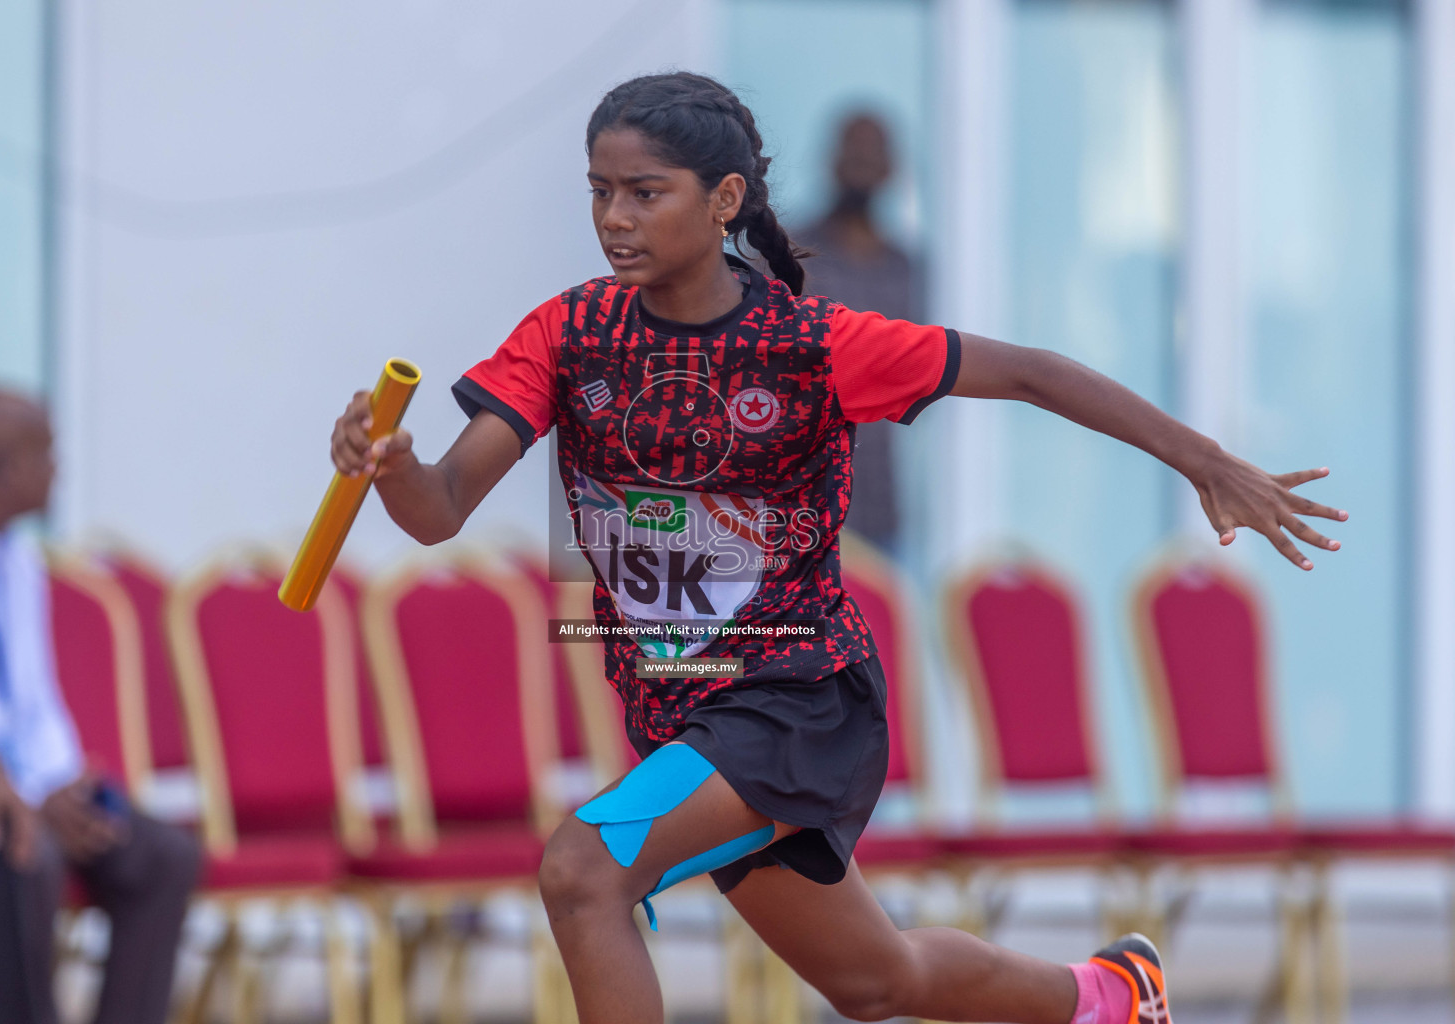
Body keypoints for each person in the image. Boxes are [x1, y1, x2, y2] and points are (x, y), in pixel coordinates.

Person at [328, 72, 1345, 1024]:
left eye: (645, 192)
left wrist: (1203, 459)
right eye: (600, 192)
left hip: (799, 700)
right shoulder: (570, 334)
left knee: (584, 871)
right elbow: (441, 507)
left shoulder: (816, 346)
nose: (615, 218)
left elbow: (1031, 373)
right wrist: (388, 466)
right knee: (873, 978)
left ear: (724, 199)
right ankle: (1110, 994)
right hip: (682, 713)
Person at [0, 387, 202, 1024]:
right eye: (46, 452)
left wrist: (60, 785)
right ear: (2, 468)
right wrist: (15, 788)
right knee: (19, 850)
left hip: (10, 782)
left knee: (163, 856)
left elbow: (32, 698)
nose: (59, 469)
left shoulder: (19, 561)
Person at [796, 111, 921, 554]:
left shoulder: (906, 268)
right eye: (853, 155)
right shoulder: (790, 254)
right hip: (796, 501)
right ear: (831, 162)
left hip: (880, 502)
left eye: (873, 157)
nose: (861, 167)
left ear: (891, 169)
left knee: (882, 622)